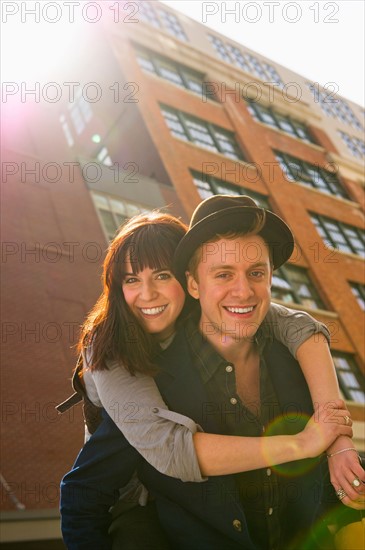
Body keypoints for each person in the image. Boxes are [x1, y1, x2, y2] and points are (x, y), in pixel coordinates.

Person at [60, 203, 362, 549]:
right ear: (195, 283)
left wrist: (338, 443)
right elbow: (156, 454)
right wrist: (305, 442)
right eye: (131, 280)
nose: (148, 294)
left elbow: (293, 322)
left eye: (161, 275)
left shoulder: (280, 348)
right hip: (133, 504)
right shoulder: (126, 361)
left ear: (185, 282)